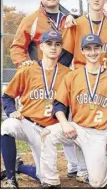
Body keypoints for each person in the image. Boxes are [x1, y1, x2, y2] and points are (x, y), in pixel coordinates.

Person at [39, 34, 107, 188]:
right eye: (88, 49)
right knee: (47, 134)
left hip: (99, 133)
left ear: (101, 50)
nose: (92, 52)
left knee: (97, 183)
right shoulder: (72, 76)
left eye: (96, 48)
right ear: (82, 51)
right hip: (77, 129)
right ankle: (50, 182)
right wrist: (65, 124)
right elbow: (59, 105)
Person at [1, 30, 71, 188]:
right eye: (49, 44)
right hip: (28, 124)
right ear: (41, 47)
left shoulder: (67, 74)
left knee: (44, 177)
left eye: (57, 44)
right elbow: (7, 96)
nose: (53, 47)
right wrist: (11, 110)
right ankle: (10, 178)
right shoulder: (28, 69)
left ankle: (19, 167)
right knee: (7, 126)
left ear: (61, 48)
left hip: (50, 132)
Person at [10, 0, 74, 68]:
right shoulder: (30, 20)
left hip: (65, 74)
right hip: (41, 74)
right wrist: (23, 64)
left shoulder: (70, 20)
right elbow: (17, 47)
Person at [62, 0, 107, 70]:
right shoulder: (76, 24)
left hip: (104, 77)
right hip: (81, 76)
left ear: (106, 0)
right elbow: (65, 58)